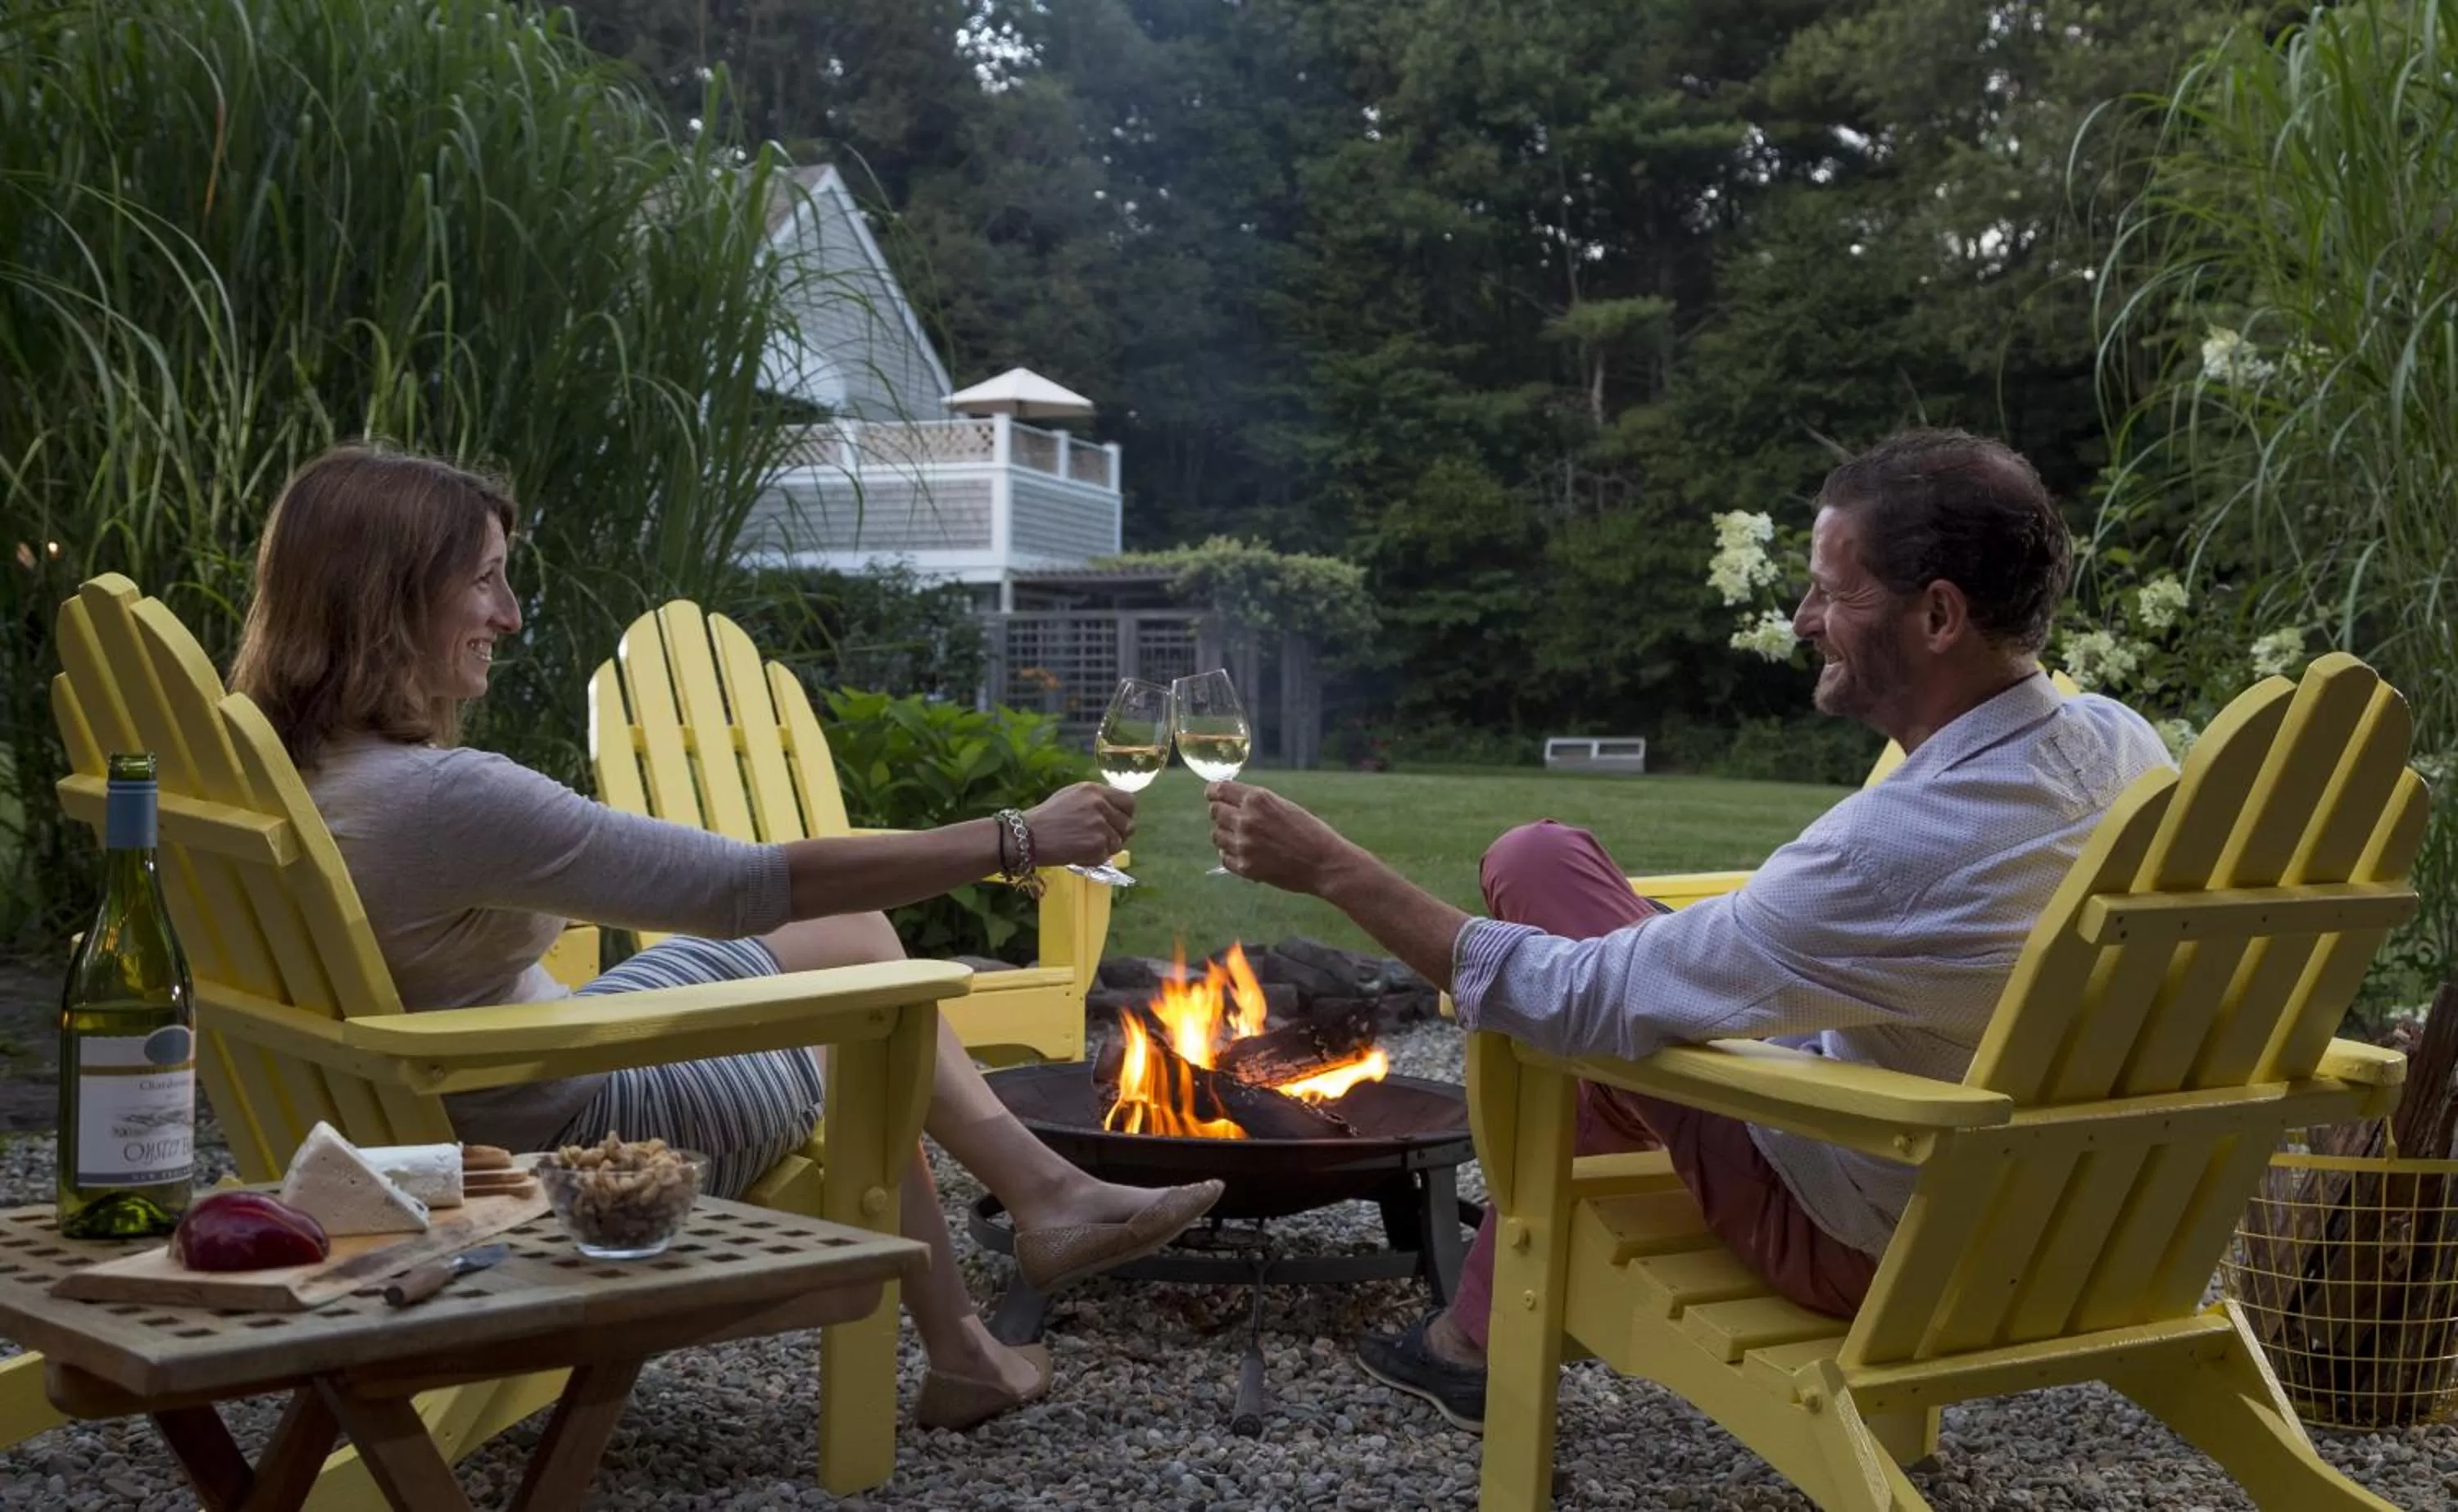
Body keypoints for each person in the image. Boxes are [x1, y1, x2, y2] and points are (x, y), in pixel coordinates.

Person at [231, 441, 1222, 1431]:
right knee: (869, 1020)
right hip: (563, 1144)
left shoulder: (286, 766)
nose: (510, 614)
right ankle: (989, 1298)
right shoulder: (445, 799)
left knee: (848, 933)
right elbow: (749, 887)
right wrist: (1019, 839)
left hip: (451, 1094)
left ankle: (1018, 1246)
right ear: (391, 599)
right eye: (484, 582)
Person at [1204, 428, 2173, 1433]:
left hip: (1882, 1245)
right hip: (2071, 1221)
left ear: (1938, 614)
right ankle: (1473, 1336)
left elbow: (1578, 1002)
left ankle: (1476, 1339)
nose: (1804, 620)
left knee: (1540, 889)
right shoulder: (2119, 744)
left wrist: (1332, 869)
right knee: (1554, 872)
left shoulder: (1894, 846)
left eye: (1834, 595)